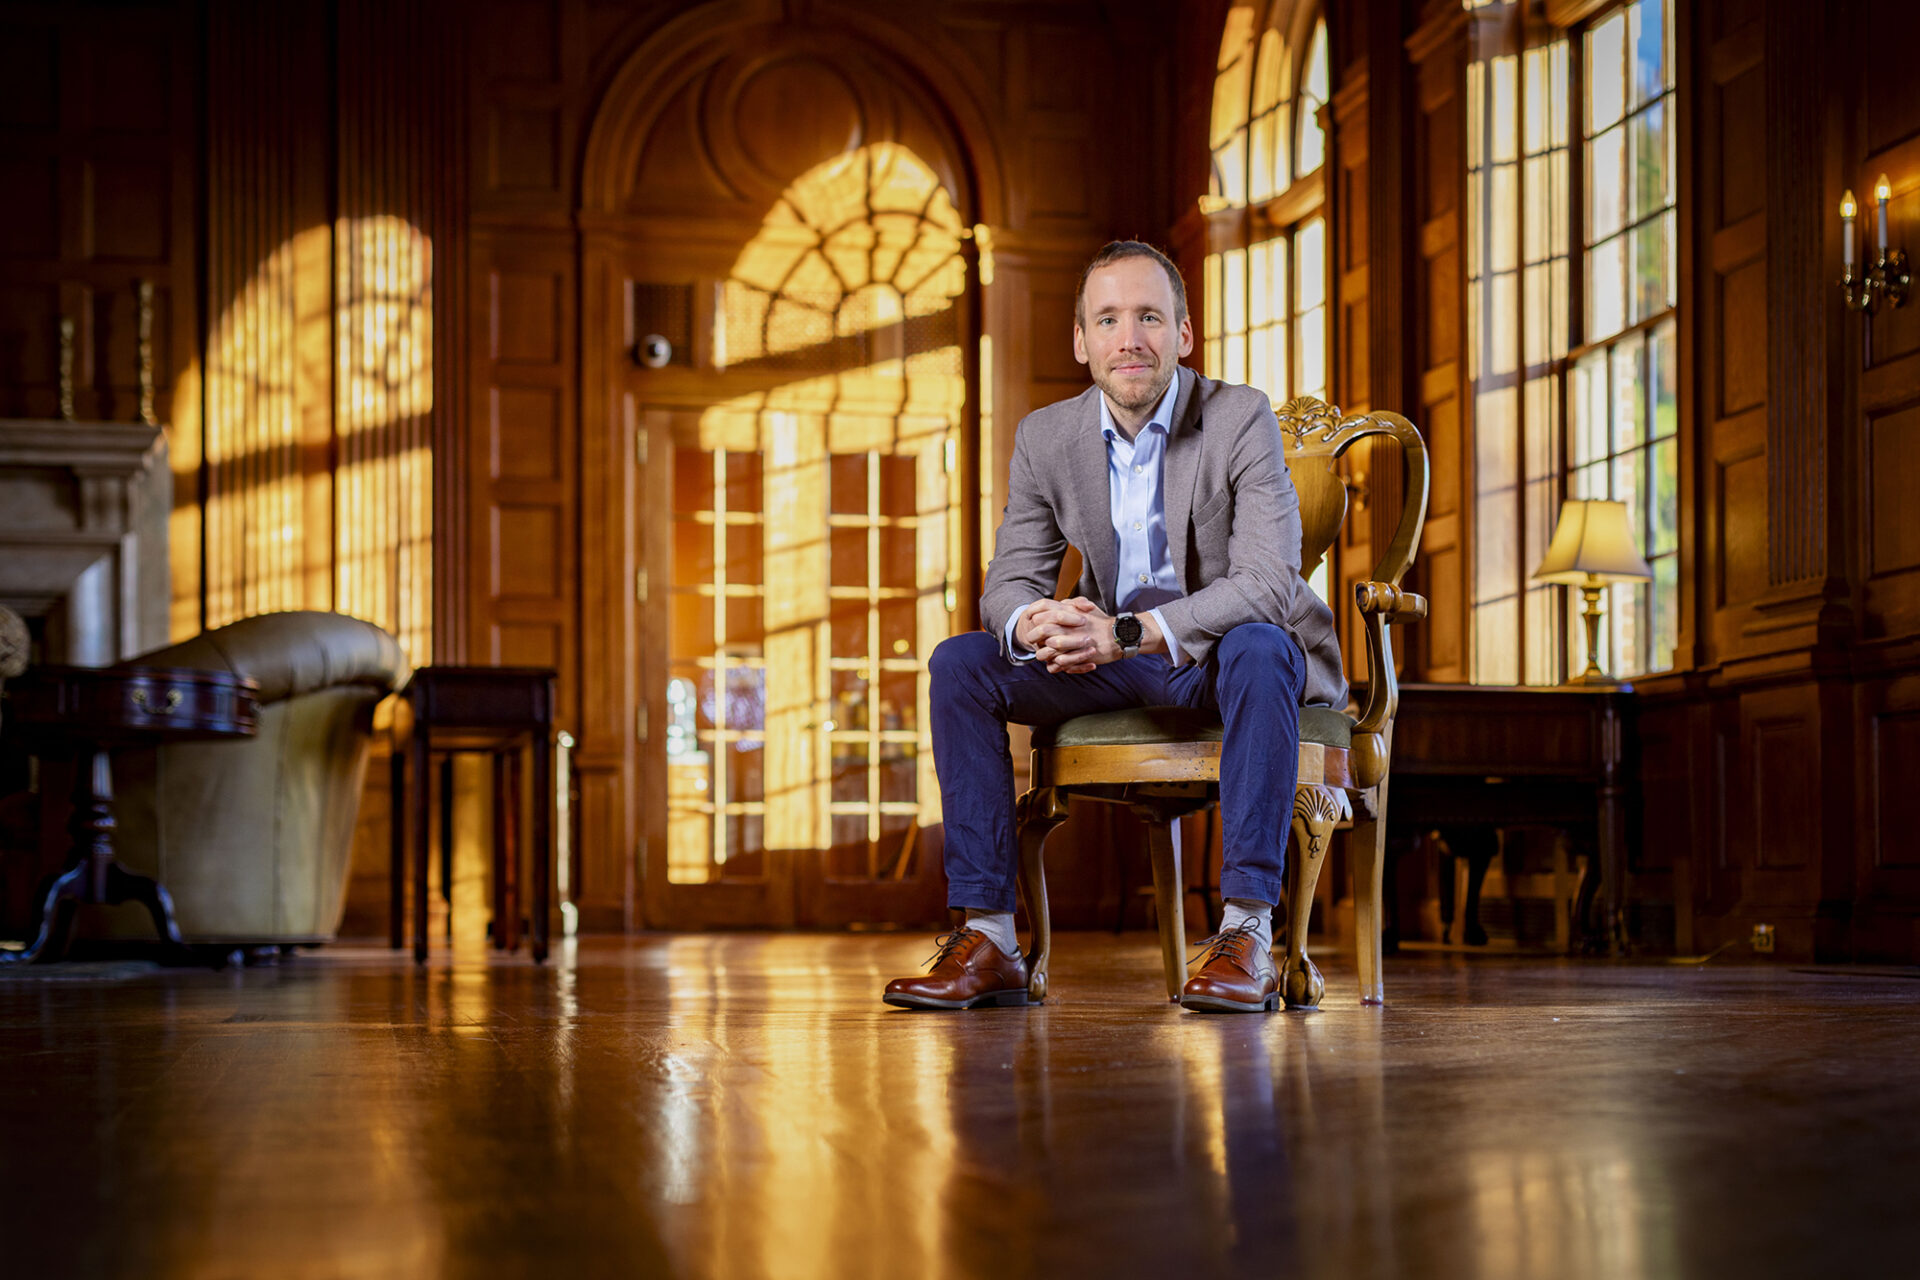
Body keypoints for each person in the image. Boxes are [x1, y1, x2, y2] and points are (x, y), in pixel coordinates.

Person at [882, 240, 1346, 1015]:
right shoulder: (1047, 436)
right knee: (961, 663)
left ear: (1184, 335)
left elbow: (1267, 585)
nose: (1128, 338)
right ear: (1081, 341)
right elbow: (1007, 586)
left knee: (1263, 648)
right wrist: (1039, 620)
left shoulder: (1239, 417)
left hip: (1223, 654)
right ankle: (989, 937)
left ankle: (1246, 937)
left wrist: (1127, 632)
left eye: (1148, 318)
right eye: (1107, 320)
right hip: (1114, 660)